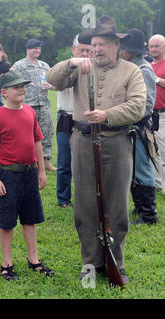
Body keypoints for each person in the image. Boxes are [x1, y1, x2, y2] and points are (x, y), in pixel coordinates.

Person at [46, 15, 146, 283]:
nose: (97, 48)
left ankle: (117, 261)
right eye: (94, 44)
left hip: (116, 143)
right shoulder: (81, 67)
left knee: (117, 207)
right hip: (82, 142)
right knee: (85, 207)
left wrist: (107, 114)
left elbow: (138, 106)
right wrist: (71, 62)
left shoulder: (131, 71)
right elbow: (51, 78)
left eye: (103, 43)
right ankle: (91, 262)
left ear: (117, 45)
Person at [0, 70, 54, 280]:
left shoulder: (30, 112)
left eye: (23, 86)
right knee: (7, 221)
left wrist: (41, 170)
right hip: (9, 176)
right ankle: (6, 263)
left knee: (30, 218)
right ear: (4, 92)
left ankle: (34, 260)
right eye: (17, 87)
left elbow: (37, 142)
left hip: (30, 174)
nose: (22, 89)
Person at [120, 29, 158, 225]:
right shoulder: (131, 67)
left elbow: (147, 103)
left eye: (124, 48)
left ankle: (149, 214)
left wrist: (129, 117)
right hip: (130, 125)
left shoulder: (144, 70)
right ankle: (139, 206)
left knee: (142, 168)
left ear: (131, 50)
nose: (121, 51)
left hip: (140, 126)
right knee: (133, 168)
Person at [55, 35, 92, 209]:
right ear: (73, 49)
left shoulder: (94, 67)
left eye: (88, 50)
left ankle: (84, 198)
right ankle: (63, 199)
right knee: (64, 161)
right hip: (65, 117)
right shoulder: (65, 67)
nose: (85, 53)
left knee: (84, 161)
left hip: (85, 119)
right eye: (81, 49)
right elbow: (56, 83)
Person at [12, 39, 57, 171]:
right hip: (26, 105)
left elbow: (54, 81)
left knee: (47, 132)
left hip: (43, 104)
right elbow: (10, 81)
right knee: (25, 134)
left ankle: (46, 160)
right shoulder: (19, 65)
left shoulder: (44, 65)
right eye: (34, 48)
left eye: (39, 49)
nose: (37, 51)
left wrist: (51, 86)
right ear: (28, 49)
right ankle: (27, 160)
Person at [149, 34, 165, 196]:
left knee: (164, 151)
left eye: (157, 46)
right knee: (151, 151)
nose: (153, 49)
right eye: (151, 46)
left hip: (163, 115)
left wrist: (158, 80)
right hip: (149, 115)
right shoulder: (148, 65)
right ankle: (157, 184)